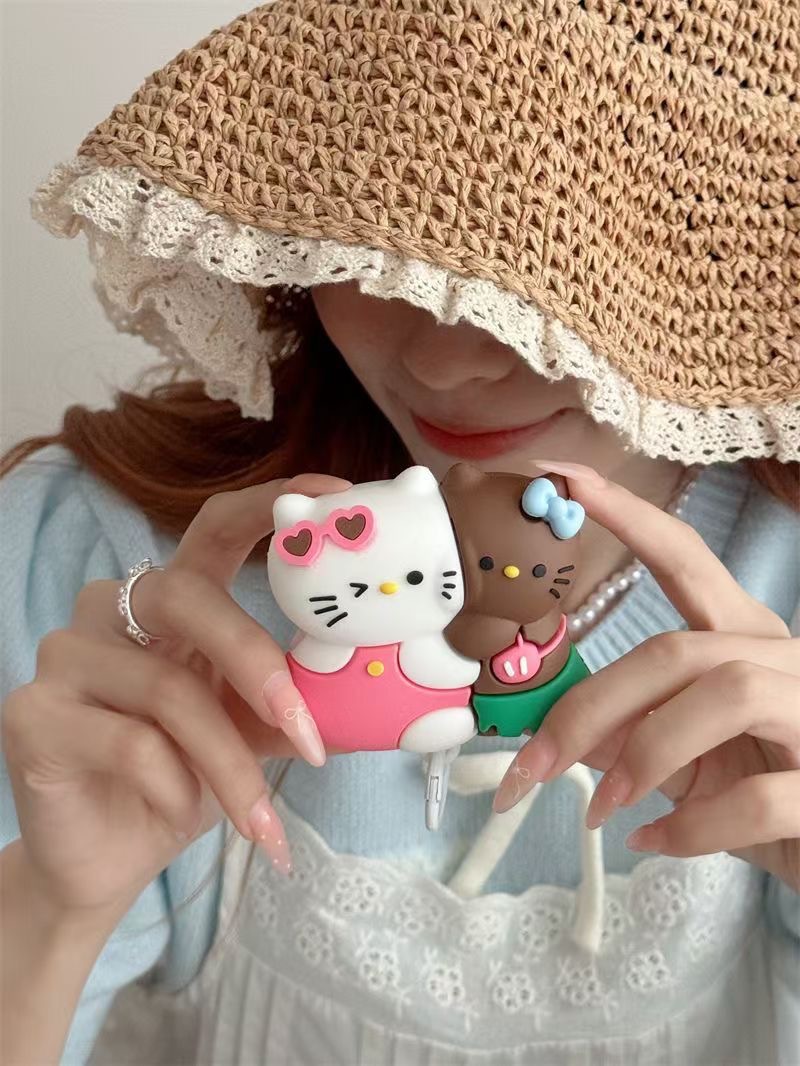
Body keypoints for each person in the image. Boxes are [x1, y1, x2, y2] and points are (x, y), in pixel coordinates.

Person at [2, 2, 799, 1064]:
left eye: (555, 268)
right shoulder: (103, 570)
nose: (441, 362)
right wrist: (48, 916)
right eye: (383, 236)